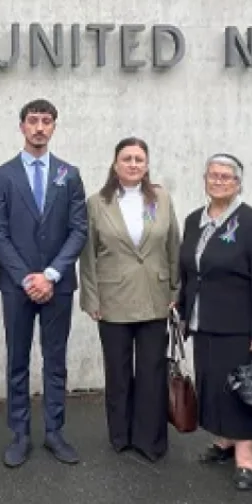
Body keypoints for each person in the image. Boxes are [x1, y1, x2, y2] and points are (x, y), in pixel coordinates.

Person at [0, 98, 88, 467]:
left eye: (46, 121)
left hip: (58, 285)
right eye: (33, 120)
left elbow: (79, 230)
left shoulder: (69, 174)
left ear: (54, 127)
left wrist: (51, 274)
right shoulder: (2, 175)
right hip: (18, 286)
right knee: (17, 360)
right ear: (22, 127)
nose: (39, 127)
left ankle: (55, 432)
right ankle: (20, 434)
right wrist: (26, 277)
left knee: (55, 361)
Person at [178, 153, 252, 491]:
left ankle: (246, 456)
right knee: (213, 384)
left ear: (239, 183)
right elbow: (189, 271)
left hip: (240, 324)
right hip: (203, 321)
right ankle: (225, 440)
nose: (218, 181)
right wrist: (182, 309)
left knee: (240, 389)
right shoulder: (194, 220)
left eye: (226, 177)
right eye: (213, 175)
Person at [79, 137, 181, 462]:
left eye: (139, 159)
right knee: (118, 372)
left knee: (152, 372)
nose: (133, 164)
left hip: (155, 297)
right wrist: (91, 298)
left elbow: (173, 246)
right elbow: (87, 255)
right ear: (115, 164)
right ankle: (121, 435)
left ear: (147, 165)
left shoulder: (161, 198)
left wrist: (176, 291)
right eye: (127, 158)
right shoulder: (97, 203)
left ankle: (149, 439)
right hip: (112, 299)